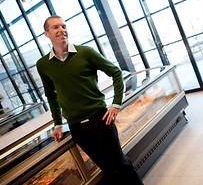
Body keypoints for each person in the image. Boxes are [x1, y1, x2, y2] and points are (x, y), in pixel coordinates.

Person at [36, 15, 143, 184]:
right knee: (107, 169)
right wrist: (57, 124)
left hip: (101, 120)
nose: (61, 30)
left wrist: (116, 104)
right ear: (46, 34)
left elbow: (116, 72)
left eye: (63, 26)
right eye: (55, 27)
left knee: (120, 164)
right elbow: (51, 95)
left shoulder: (85, 52)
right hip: (77, 128)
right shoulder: (43, 65)